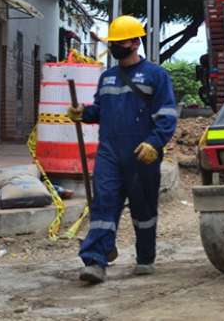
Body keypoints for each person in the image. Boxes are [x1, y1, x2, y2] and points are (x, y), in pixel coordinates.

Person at [68, 15, 177, 284]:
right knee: (104, 204)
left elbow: (166, 115)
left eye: (120, 41)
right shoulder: (106, 77)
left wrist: (154, 142)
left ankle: (145, 257)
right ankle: (95, 261)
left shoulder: (156, 75)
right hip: (109, 152)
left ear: (135, 42)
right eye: (113, 42)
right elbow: (101, 110)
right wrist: (84, 113)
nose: (116, 46)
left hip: (142, 153)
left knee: (143, 209)